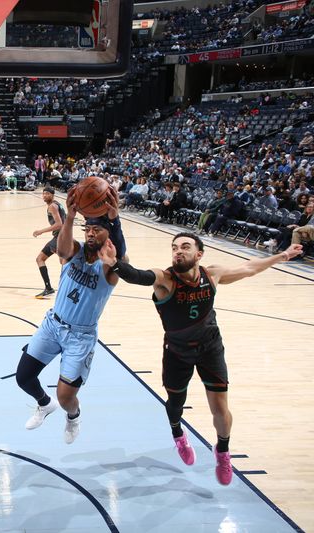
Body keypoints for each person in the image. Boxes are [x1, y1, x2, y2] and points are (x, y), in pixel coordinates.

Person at [96, 232, 303, 485]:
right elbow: (138, 276)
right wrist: (115, 264)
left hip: (210, 348)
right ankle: (178, 434)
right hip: (177, 352)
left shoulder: (212, 274)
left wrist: (282, 255)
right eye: (174, 248)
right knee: (175, 403)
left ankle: (223, 451)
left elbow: (248, 268)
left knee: (220, 407)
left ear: (199, 254)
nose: (178, 252)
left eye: (185, 247)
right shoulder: (165, 279)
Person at [15, 187, 125, 444]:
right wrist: (71, 217)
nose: (90, 232)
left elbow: (121, 254)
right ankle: (44, 404)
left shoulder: (111, 267)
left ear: (109, 234)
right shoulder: (73, 251)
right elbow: (61, 250)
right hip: (53, 325)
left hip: (80, 336)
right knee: (23, 378)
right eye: (88, 228)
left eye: (97, 229)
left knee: (65, 397)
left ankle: (73, 416)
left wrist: (115, 218)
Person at [32, 186, 66, 299]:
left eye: (47, 194)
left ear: (52, 195)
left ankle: (51, 288)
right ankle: (53, 288)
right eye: (43, 194)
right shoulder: (57, 204)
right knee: (63, 262)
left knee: (41, 259)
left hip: (60, 238)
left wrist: (41, 231)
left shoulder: (52, 206)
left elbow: (59, 224)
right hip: (62, 237)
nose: (45, 196)